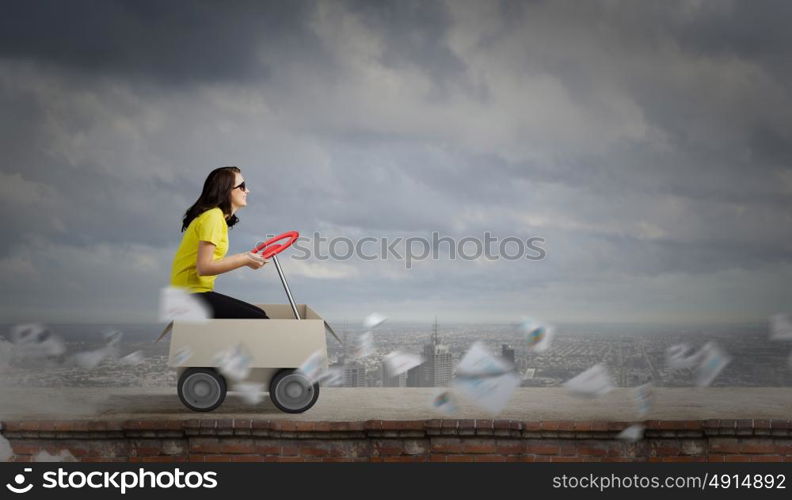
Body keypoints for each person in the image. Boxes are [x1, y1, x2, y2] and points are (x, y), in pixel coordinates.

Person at [170, 166, 270, 319]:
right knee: (259, 320)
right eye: (242, 186)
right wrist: (245, 259)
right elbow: (204, 267)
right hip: (189, 296)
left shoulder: (216, 217)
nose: (247, 191)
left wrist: (247, 256)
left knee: (260, 315)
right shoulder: (213, 217)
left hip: (193, 293)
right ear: (226, 190)